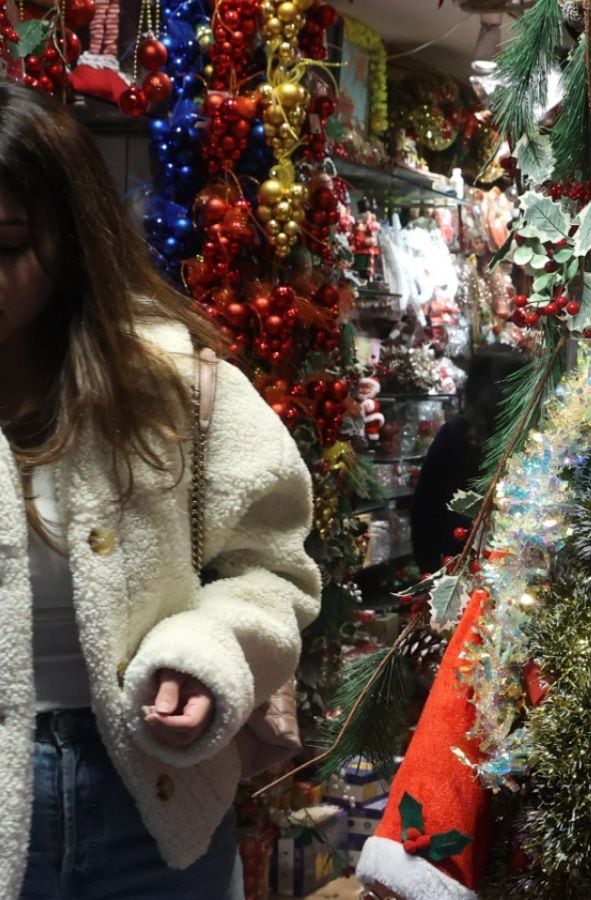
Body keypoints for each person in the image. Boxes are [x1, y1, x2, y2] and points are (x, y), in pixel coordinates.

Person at [0, 82, 320, 898]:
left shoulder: (171, 382)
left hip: (153, 797)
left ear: (70, 236)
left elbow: (272, 567)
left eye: (6, 243)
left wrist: (203, 657)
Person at [410, 344, 529, 572]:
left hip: (460, 556)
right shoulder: (530, 435)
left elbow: (426, 507)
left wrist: (428, 565)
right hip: (517, 559)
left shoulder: (454, 435)